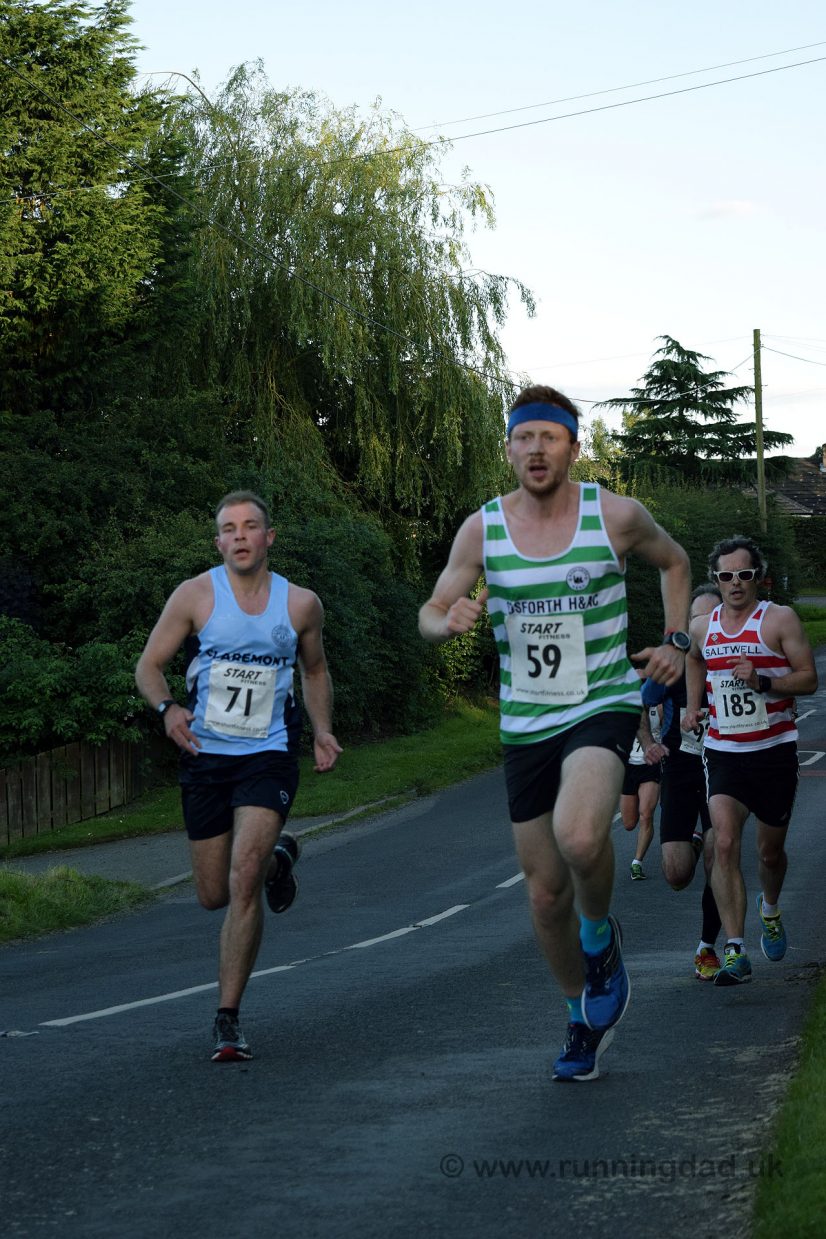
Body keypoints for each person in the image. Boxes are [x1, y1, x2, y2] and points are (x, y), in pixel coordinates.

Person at [418, 385, 691, 1081]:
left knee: (579, 835)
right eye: (522, 438)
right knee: (544, 893)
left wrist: (679, 641)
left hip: (599, 701)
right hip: (525, 722)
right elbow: (433, 604)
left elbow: (677, 563)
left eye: (549, 436)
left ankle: (600, 938)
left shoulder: (616, 515)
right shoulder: (484, 528)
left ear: (573, 445)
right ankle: (579, 1018)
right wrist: (443, 621)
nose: (535, 449)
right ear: (508, 449)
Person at [135, 490, 342, 1060]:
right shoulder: (196, 596)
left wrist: (321, 729)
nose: (241, 536)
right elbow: (149, 666)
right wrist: (167, 709)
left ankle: (227, 1017)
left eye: (252, 526)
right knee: (211, 894)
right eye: (230, 528)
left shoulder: (300, 605)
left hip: (268, 753)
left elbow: (316, 668)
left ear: (268, 537)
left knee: (242, 878)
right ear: (219, 541)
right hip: (205, 755)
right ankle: (282, 858)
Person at [684, 536, 817, 986]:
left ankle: (771, 909)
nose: (735, 583)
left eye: (744, 574)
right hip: (724, 751)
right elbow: (693, 661)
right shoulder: (704, 627)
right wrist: (690, 706)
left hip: (774, 751)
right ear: (715, 580)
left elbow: (809, 679)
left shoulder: (778, 619)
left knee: (769, 852)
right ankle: (736, 950)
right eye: (726, 576)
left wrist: (763, 681)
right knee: (722, 843)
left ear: (758, 576)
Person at [641, 584, 723, 980]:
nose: (703, 629)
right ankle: (690, 840)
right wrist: (647, 743)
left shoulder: (731, 657)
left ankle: (708, 946)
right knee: (676, 875)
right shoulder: (673, 662)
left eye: (710, 619)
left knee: (717, 856)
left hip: (724, 767)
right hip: (681, 765)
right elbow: (636, 700)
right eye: (696, 621)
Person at [619, 672, 663, 881]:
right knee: (629, 823)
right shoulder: (625, 707)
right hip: (628, 766)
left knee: (646, 814)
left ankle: (637, 862)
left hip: (651, 765)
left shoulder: (658, 706)